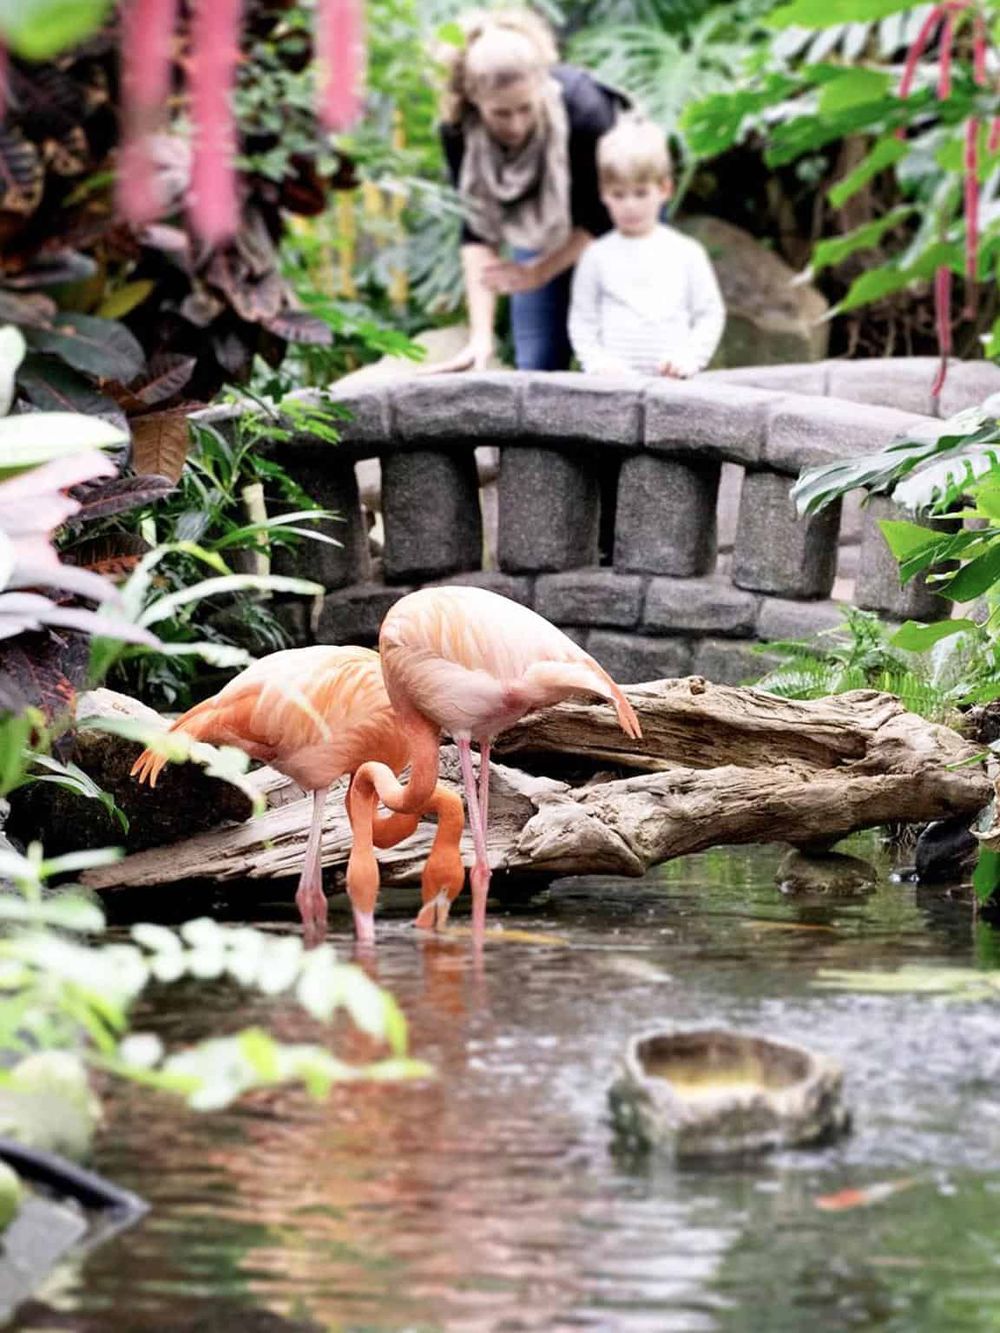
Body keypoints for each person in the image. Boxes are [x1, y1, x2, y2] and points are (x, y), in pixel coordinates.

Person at [434, 9, 629, 373]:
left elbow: (603, 217)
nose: (516, 125)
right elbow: (477, 230)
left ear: (541, 83)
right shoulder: (459, 130)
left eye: (525, 108)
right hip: (540, 223)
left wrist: (540, 273)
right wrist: (480, 337)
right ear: (475, 98)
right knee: (537, 365)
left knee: (617, 364)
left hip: (620, 221)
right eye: (501, 114)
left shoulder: (586, 109)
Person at [568, 115, 726, 378]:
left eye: (641, 193)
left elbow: (710, 313)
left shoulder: (686, 253)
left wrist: (689, 358)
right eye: (618, 194)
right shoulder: (596, 256)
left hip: (673, 385)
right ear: (604, 194)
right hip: (612, 387)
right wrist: (597, 363)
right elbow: (583, 320)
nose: (630, 205)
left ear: (664, 189)